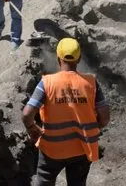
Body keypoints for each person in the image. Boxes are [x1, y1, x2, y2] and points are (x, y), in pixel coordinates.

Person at [22, 38, 110, 186]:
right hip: (83, 148)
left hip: (52, 149)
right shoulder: (92, 82)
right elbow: (105, 118)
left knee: (44, 181)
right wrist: (92, 129)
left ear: (58, 58)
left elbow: (26, 114)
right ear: (79, 59)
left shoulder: (47, 82)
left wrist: (32, 128)